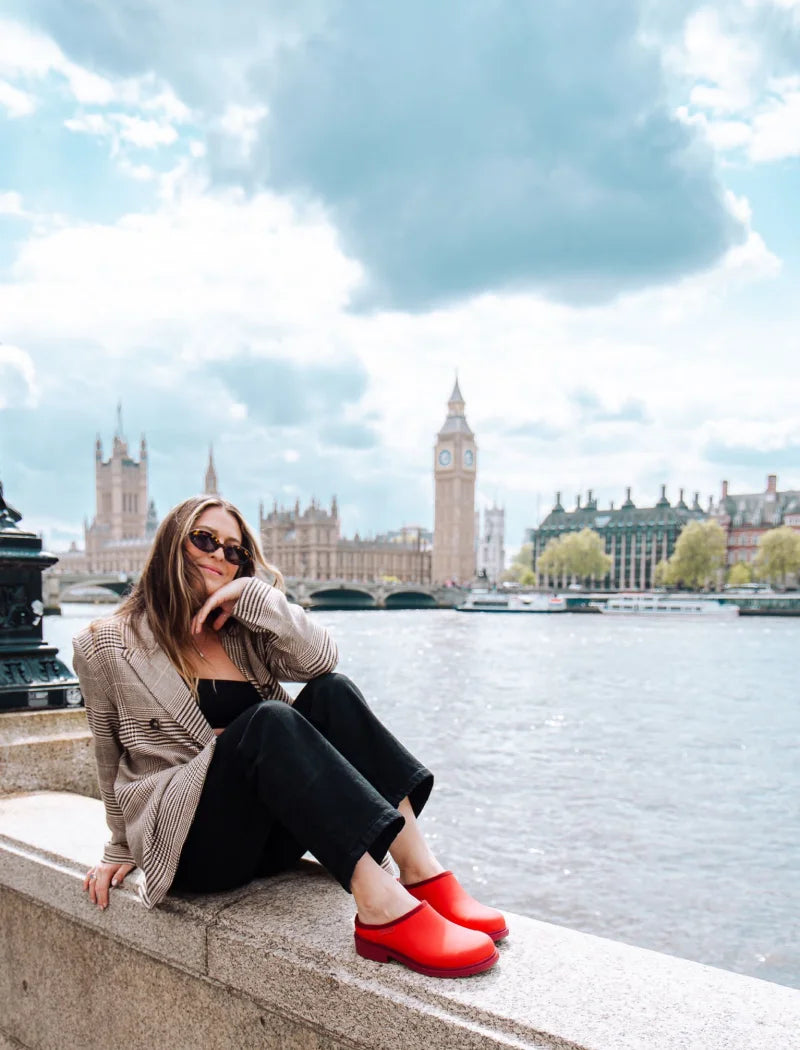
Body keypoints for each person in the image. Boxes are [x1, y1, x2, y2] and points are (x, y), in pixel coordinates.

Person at [74, 495, 507, 978]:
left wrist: (261, 600)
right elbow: (107, 754)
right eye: (205, 539)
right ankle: (380, 909)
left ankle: (421, 872)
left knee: (332, 692)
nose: (220, 555)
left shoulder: (243, 628)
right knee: (269, 721)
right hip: (195, 846)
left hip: (267, 837)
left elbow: (321, 662)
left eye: (235, 550)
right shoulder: (105, 643)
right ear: (172, 544)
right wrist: (118, 848)